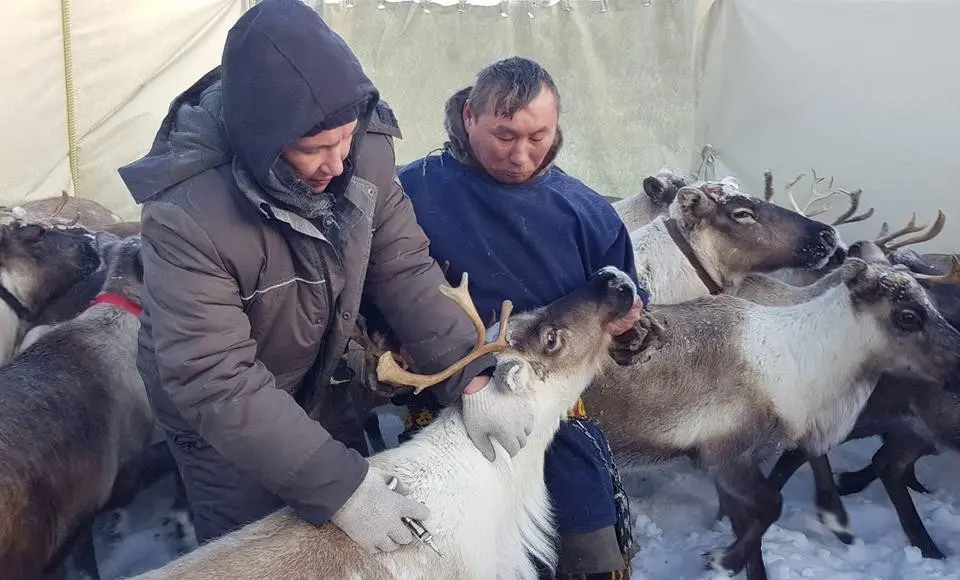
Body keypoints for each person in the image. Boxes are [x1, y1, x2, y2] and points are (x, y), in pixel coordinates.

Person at [116, 0, 533, 553]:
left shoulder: (366, 152)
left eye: (345, 140)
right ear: (259, 139)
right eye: (313, 150)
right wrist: (342, 488)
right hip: (223, 418)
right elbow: (212, 377)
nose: (338, 165)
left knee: (346, 539)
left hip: (321, 376)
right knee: (261, 548)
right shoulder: (187, 211)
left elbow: (404, 266)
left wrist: (472, 375)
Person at [394, 57, 648, 579]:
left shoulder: (588, 212)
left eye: (539, 135)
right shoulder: (409, 194)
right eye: (504, 135)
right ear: (469, 117)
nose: (521, 154)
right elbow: (376, 296)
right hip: (446, 411)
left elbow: (627, 318)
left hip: (557, 420)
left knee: (591, 558)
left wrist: (627, 333)